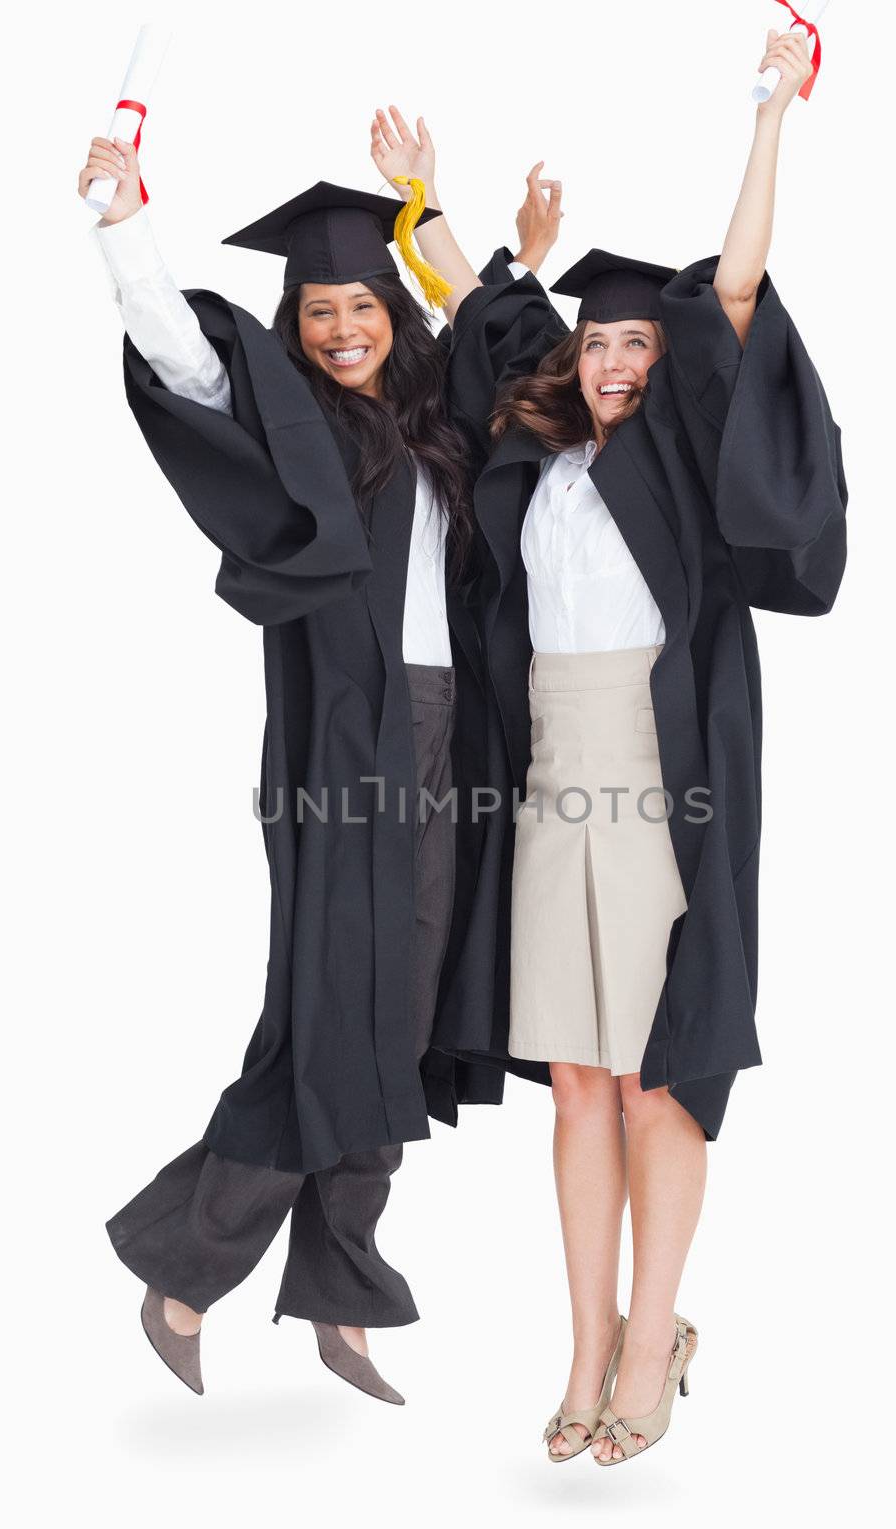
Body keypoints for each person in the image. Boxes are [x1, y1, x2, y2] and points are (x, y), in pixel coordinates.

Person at [372, 24, 846, 1466]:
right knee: (574, 1076)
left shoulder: (681, 457)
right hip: (546, 777)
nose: (617, 357)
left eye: (641, 339)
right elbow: (481, 304)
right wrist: (424, 200)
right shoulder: (546, 449)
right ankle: (585, 1341)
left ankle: (654, 1340)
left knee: (656, 1066)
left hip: (659, 763)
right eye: (603, 341)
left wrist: (769, 113)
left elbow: (739, 282)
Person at [78, 131, 560, 1400]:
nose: (341, 326)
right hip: (347, 745)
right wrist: (125, 228)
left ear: (388, 315)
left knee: (399, 1015)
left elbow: (526, 363)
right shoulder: (293, 425)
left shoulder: (432, 419)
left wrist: (437, 211)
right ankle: (187, 1265)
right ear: (290, 328)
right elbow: (184, 358)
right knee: (329, 1012)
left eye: (359, 304)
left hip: (450, 735)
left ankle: (340, 1283)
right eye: (316, 311)